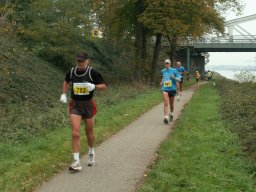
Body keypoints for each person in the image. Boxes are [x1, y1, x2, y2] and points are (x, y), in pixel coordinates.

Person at [60, 52, 106, 171]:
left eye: (82, 61)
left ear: (87, 61)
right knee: (75, 132)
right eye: (78, 61)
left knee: (89, 132)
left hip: (88, 104)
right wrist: (64, 94)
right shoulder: (72, 71)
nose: (80, 63)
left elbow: (103, 86)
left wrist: (94, 86)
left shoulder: (92, 72)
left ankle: (91, 151)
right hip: (75, 104)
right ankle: (76, 161)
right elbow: (66, 81)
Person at [160, 59, 181, 124]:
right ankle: (166, 117)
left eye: (167, 63)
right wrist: (162, 81)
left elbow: (179, 79)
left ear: (170, 64)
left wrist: (174, 78)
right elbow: (164, 77)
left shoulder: (174, 70)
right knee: (166, 103)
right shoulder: (163, 71)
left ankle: (171, 114)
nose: (166, 64)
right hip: (165, 89)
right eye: (165, 63)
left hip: (172, 89)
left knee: (171, 104)